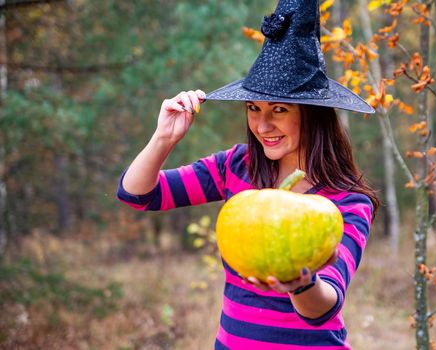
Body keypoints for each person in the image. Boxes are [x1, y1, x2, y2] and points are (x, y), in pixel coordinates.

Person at [117, 0, 379, 348]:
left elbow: (323, 306)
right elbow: (138, 195)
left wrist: (299, 284)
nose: (262, 124)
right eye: (253, 108)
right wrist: (165, 137)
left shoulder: (347, 201)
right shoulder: (237, 167)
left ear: (313, 115)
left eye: (279, 110)